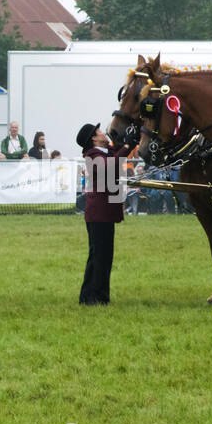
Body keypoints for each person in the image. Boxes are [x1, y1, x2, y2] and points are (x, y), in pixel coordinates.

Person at [77, 122, 131, 306]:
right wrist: (127, 147)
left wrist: (122, 143)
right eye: (99, 131)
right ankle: (94, 296)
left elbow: (114, 154)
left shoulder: (102, 153)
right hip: (98, 214)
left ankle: (95, 296)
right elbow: (112, 164)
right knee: (99, 256)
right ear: (93, 137)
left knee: (102, 256)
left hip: (104, 214)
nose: (103, 133)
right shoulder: (92, 155)